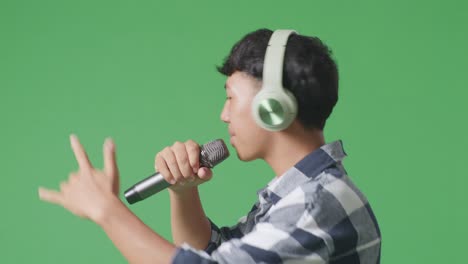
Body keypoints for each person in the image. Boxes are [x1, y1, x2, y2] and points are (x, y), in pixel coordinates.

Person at [38, 28, 381, 263]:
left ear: (273, 106)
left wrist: (106, 211)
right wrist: (184, 193)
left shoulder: (314, 204)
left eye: (231, 98)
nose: (223, 115)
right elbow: (217, 252)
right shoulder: (301, 195)